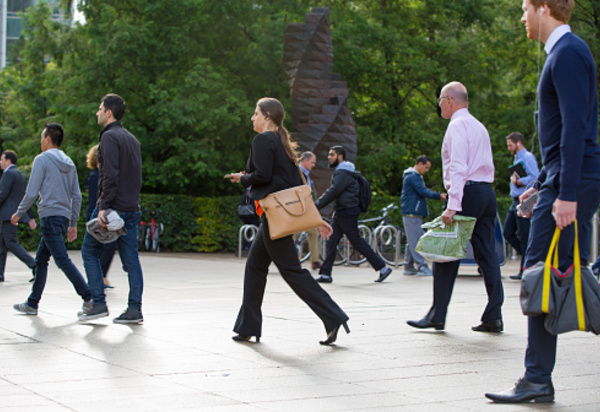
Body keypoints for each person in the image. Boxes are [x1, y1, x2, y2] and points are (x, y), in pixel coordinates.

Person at [486, 0, 600, 403]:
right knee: (553, 273)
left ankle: (536, 377)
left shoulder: (567, 53)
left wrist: (565, 193)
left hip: (573, 182)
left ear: (544, 8)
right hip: (565, 179)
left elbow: (574, 129)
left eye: (524, 8)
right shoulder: (567, 53)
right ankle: (538, 376)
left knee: (539, 271)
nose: (521, 18)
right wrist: (546, 184)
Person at [227, 97, 350, 345]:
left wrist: (242, 178)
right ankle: (248, 327)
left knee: (293, 272)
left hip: (275, 218)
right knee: (254, 268)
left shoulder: (263, 139)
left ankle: (333, 316)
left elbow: (262, 176)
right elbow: (298, 187)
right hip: (275, 217)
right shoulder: (282, 142)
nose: (253, 118)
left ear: (267, 116)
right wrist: (315, 219)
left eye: (255, 113)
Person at [406, 82, 504, 333]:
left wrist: (452, 205)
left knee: (445, 253)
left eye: (440, 100)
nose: (439, 105)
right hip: (486, 193)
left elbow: (459, 167)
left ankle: (437, 315)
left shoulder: (457, 126)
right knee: (487, 256)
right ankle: (494, 315)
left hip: (467, 192)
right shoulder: (479, 126)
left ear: (450, 100)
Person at [12, 124, 92, 316]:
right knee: (40, 260)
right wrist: (72, 223)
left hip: (49, 217)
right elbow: (77, 196)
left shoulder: (42, 160)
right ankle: (32, 303)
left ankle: (90, 298)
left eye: (41, 137)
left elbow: (31, 192)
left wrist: (18, 213)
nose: (40, 141)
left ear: (48, 139)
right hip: (63, 218)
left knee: (62, 260)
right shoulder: (69, 162)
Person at [79, 93, 145, 324]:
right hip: (131, 208)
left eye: (99, 109)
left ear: (109, 112)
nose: (97, 112)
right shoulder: (132, 139)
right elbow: (134, 177)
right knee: (131, 260)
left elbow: (109, 175)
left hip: (113, 209)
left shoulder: (108, 137)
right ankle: (134, 309)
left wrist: (103, 207)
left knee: (88, 252)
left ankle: (98, 303)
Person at [314, 146, 393, 284]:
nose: (329, 157)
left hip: (347, 211)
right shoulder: (346, 172)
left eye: (332, 154)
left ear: (340, 156)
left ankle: (382, 267)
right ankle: (326, 274)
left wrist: (316, 206)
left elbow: (334, 191)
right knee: (331, 240)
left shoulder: (343, 173)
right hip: (343, 211)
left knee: (356, 241)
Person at [400, 155, 446, 276]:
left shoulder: (413, 176)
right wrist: (439, 195)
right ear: (419, 164)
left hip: (413, 213)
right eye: (426, 167)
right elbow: (423, 191)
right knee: (417, 240)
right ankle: (421, 266)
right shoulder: (412, 177)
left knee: (412, 239)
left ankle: (408, 266)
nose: (427, 170)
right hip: (412, 213)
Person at [503, 132, 539, 280]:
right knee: (508, 232)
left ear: (518, 143)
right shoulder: (517, 158)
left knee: (525, 235)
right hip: (515, 200)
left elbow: (536, 177)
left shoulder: (528, 157)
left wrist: (518, 182)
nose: (509, 148)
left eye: (510, 145)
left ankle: (526, 268)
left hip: (525, 200)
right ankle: (529, 256)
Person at [0, 150, 37, 282]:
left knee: (11, 243)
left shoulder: (8, 174)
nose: (0, 162)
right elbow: (25, 197)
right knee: (2, 245)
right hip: (13, 214)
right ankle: (0, 274)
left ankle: (34, 265)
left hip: (7, 215)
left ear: (8, 160)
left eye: (2, 160)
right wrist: (30, 216)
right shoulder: (20, 174)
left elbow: (2, 194)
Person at [85, 145, 117, 289]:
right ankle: (98, 278)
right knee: (100, 247)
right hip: (97, 214)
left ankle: (101, 276)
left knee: (109, 246)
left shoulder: (105, 175)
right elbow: (93, 199)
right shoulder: (95, 176)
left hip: (105, 214)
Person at [298, 151, 321, 270]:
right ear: (305, 160)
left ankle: (315, 261)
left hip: (305, 210)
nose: (313, 165)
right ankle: (288, 260)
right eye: (312, 162)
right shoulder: (297, 172)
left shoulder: (305, 174)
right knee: (290, 236)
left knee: (313, 232)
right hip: (296, 210)